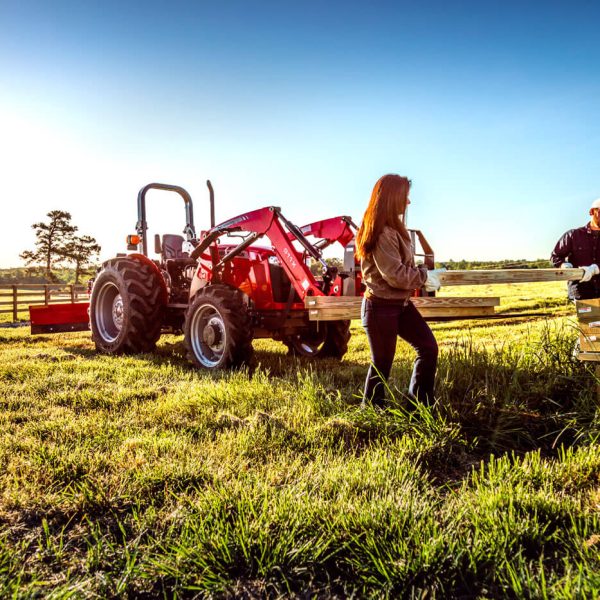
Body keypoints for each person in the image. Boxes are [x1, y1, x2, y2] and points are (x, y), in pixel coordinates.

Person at [355, 174, 445, 409]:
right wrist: (425, 278)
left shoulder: (395, 228)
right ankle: (372, 411)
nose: (409, 202)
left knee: (428, 348)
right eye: (405, 196)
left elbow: (405, 267)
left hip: (400, 305)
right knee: (382, 363)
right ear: (393, 198)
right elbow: (394, 274)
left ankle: (419, 407)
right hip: (380, 307)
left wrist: (425, 271)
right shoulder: (382, 232)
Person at [551, 198, 600, 300]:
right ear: (592, 212)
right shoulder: (573, 235)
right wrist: (563, 265)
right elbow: (555, 256)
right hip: (581, 292)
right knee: (587, 316)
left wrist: (596, 268)